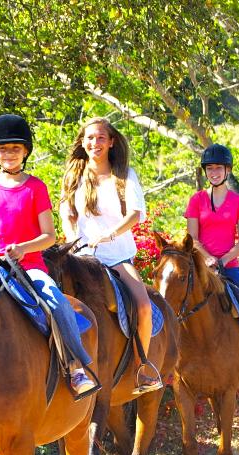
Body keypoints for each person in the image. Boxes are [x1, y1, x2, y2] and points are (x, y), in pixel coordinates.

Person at [0, 113, 99, 399]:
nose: (9, 154)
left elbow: (49, 236)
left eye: (15, 148)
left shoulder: (35, 188)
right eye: (3, 149)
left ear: (25, 151)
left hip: (29, 268)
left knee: (56, 304)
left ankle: (75, 366)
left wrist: (23, 248)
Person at [59, 117, 162, 394]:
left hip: (117, 257)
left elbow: (135, 214)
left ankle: (143, 368)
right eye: (90, 138)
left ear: (111, 141)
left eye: (101, 138)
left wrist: (109, 235)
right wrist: (73, 241)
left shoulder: (124, 175)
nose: (95, 143)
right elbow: (66, 214)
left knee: (142, 305)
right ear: (82, 142)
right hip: (81, 258)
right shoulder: (73, 177)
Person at [184, 143, 239, 379]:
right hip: (201, 266)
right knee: (174, 298)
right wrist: (208, 258)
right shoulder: (196, 200)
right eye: (210, 168)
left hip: (230, 267)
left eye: (219, 168)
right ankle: (171, 358)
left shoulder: (238, 202)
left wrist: (222, 261)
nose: (214, 173)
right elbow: (192, 238)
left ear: (228, 170)